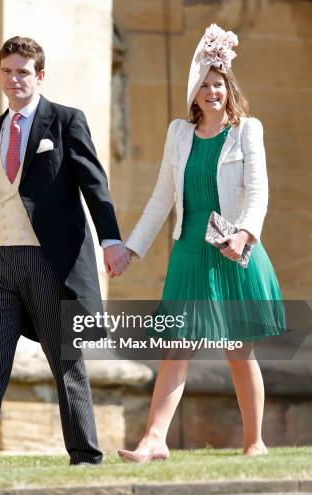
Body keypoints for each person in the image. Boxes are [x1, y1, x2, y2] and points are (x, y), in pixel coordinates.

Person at [0, 36, 129, 471]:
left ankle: (86, 455)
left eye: (23, 72)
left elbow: (94, 185)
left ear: (39, 76)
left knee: (65, 360)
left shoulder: (66, 121)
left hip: (49, 261)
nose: (14, 79)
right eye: (7, 71)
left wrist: (111, 240)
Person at [118, 24, 284, 462]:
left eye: (219, 85)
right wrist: (132, 248)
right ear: (193, 93)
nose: (212, 92)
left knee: (237, 348)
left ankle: (255, 442)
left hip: (233, 251)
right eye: (205, 86)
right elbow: (161, 198)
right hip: (189, 251)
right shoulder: (178, 133)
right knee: (177, 346)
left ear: (229, 89)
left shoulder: (248, 130)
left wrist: (245, 234)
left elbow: (258, 191)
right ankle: (155, 441)